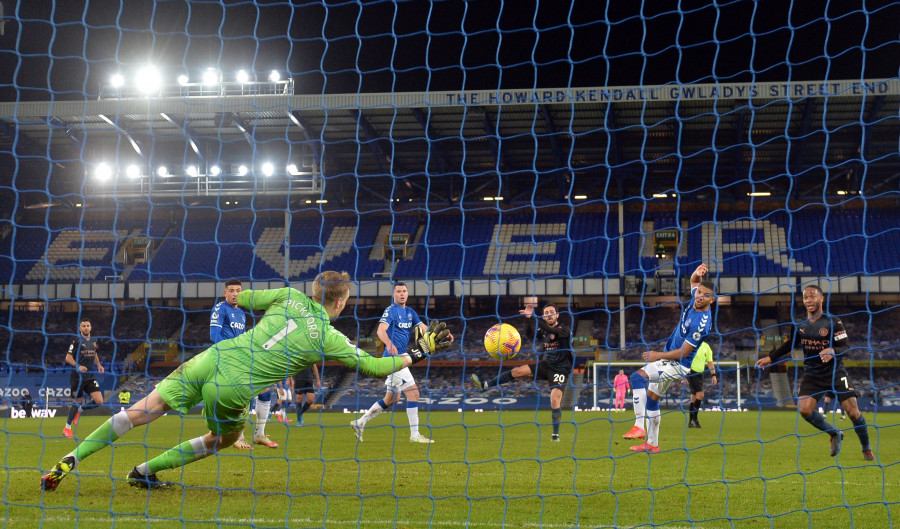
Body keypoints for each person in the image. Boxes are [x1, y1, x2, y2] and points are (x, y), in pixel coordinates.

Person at [40, 271, 451, 491]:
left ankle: (70, 459)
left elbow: (243, 298)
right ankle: (144, 472)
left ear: (312, 289)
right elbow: (379, 368)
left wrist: (254, 301)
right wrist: (420, 351)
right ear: (341, 302)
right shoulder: (331, 337)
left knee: (140, 411)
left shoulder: (288, 294)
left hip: (210, 357)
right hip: (235, 386)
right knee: (220, 438)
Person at [756, 284, 874, 460]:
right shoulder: (800, 325)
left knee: (853, 412)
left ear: (821, 299)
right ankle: (834, 433)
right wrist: (772, 358)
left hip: (835, 372)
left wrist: (832, 350)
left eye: (812, 296)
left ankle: (866, 449)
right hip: (813, 373)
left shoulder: (833, 322)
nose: (809, 300)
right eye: (806, 297)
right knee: (804, 410)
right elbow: (790, 344)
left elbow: (846, 346)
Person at [624, 263, 715, 453]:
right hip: (670, 361)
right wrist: (696, 273)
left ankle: (639, 426)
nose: (700, 297)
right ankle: (652, 445)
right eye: (699, 294)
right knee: (652, 398)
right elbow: (694, 281)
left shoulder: (702, 324)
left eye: (705, 296)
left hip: (678, 364)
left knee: (636, 377)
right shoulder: (694, 300)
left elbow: (683, 352)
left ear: (712, 300)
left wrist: (657, 355)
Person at [351, 282, 452, 444]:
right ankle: (415, 434)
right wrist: (389, 344)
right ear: (394, 294)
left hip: (402, 357)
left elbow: (423, 328)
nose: (402, 294)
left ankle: (360, 422)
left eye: (404, 291)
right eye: (398, 291)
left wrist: (440, 334)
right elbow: (380, 330)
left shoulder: (410, 312)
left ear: (407, 293)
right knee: (414, 394)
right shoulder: (391, 310)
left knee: (391, 400)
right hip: (393, 359)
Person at [471, 301, 573, 442]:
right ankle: (486, 385)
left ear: (557, 315)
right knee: (517, 371)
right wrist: (527, 319)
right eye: (546, 313)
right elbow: (529, 334)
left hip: (561, 368)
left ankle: (555, 434)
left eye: (552, 312)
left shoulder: (564, 329)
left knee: (555, 399)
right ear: (543, 317)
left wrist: (534, 317)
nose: (549, 315)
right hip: (546, 364)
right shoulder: (543, 330)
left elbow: (553, 332)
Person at [210, 279, 277, 450]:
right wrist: (232, 350)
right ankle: (237, 437)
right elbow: (214, 335)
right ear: (225, 293)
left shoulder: (241, 313)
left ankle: (260, 434)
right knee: (240, 397)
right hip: (227, 358)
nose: (234, 294)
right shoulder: (220, 308)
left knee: (265, 391)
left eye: (238, 290)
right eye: (231, 290)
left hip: (241, 357)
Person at [63, 318, 105, 439]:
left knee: (99, 401)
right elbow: (68, 357)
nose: (86, 328)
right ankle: (67, 428)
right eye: (84, 326)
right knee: (76, 402)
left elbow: (95, 353)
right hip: (77, 377)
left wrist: (99, 365)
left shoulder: (94, 341)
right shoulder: (76, 341)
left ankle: (80, 410)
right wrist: (78, 366)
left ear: (90, 327)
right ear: (80, 328)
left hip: (90, 376)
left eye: (88, 325)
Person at [687, 341, 717, 428]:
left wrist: (713, 375)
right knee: (700, 395)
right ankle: (695, 419)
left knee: (694, 396)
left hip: (700, 374)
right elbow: (684, 358)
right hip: (690, 372)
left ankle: (690, 421)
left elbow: (710, 362)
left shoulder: (706, 346)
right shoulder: (691, 344)